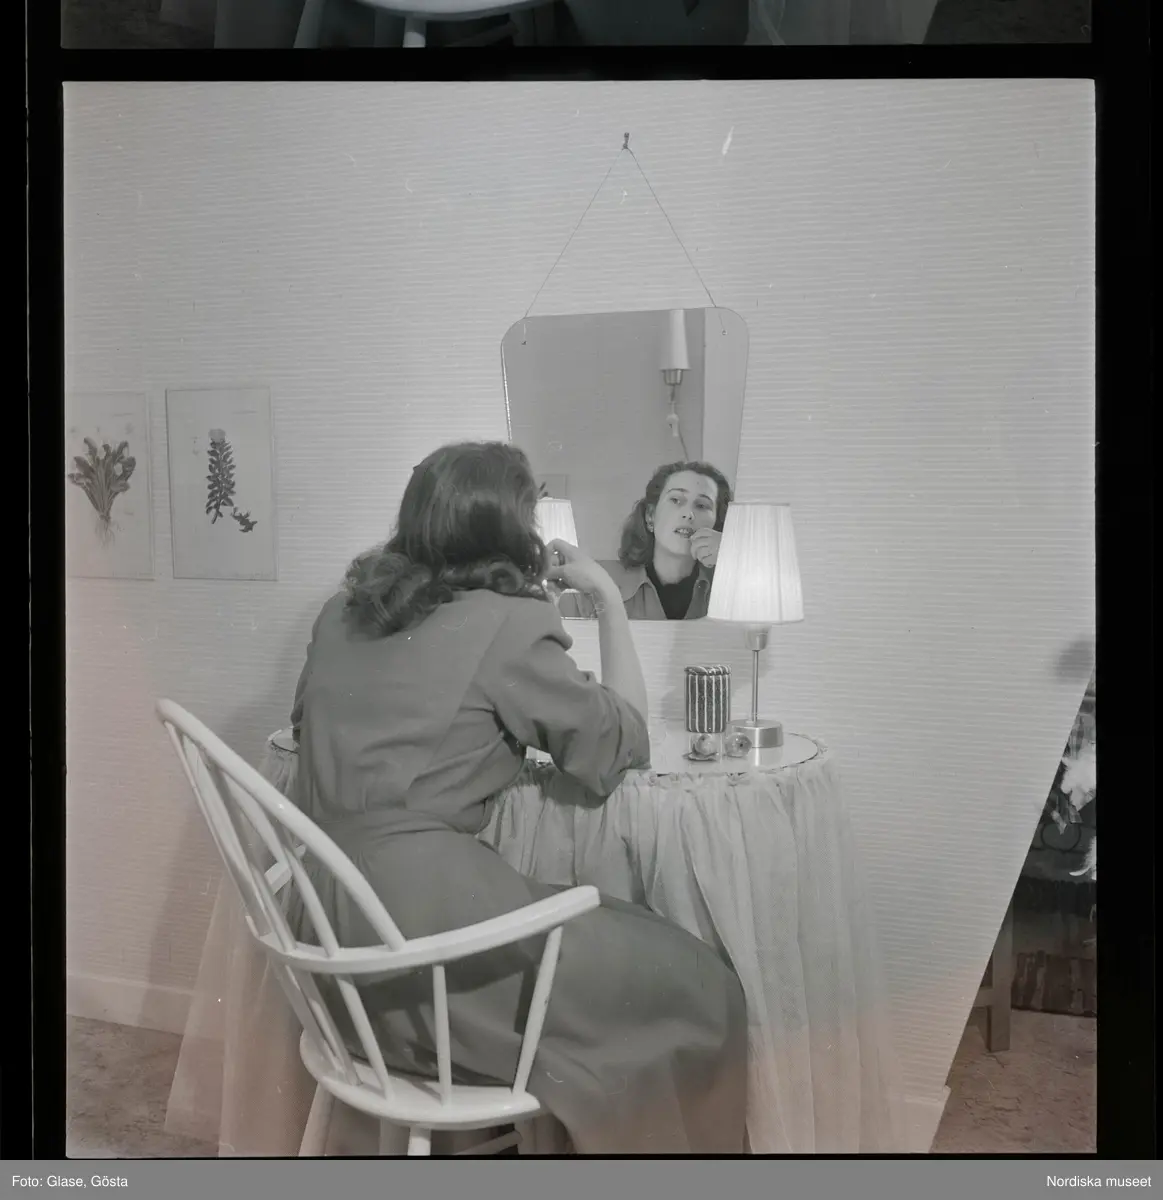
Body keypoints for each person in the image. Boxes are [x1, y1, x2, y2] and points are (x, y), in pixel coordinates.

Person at [287, 441, 748, 1154]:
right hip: (421, 947)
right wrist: (606, 599)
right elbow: (617, 747)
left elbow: (304, 730)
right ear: (509, 525)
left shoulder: (341, 613)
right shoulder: (506, 621)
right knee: (702, 987)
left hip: (323, 941)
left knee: (612, 928)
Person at [560, 460, 733, 621]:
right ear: (650, 516)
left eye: (702, 505)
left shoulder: (733, 590)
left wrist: (731, 555)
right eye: (676, 500)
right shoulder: (591, 586)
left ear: (717, 524)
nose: (688, 514)